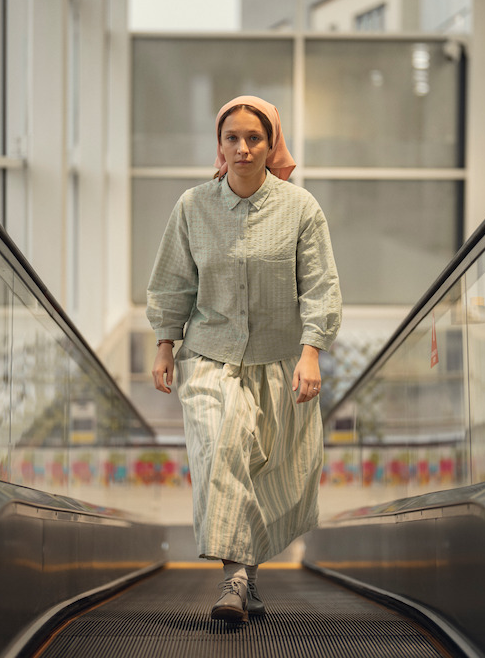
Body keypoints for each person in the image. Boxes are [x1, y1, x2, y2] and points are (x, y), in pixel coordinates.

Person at [146, 95, 342, 623]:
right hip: (210, 356)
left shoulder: (301, 209)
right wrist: (165, 343)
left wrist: (311, 353)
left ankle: (247, 575)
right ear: (219, 144)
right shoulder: (192, 207)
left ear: (271, 143)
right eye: (231, 137)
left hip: (280, 363)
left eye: (254, 138)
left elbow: (321, 287)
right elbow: (172, 283)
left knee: (269, 475)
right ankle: (232, 580)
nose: (242, 148)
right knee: (223, 444)